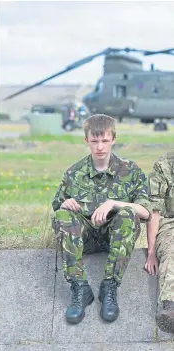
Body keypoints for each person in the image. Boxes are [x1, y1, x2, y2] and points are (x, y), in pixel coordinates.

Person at [52, 114, 152, 325]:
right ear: (86, 140)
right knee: (62, 215)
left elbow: (145, 211)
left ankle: (109, 287)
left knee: (128, 214)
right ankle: (80, 288)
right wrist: (65, 205)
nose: (100, 147)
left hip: (115, 239)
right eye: (94, 141)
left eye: (105, 140)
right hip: (84, 238)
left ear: (114, 139)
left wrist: (114, 203)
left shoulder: (130, 171)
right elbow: (57, 207)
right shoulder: (74, 173)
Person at [145, 151, 174, 334]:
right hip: (170, 222)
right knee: (172, 251)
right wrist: (151, 252)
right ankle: (170, 307)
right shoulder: (164, 166)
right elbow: (154, 211)